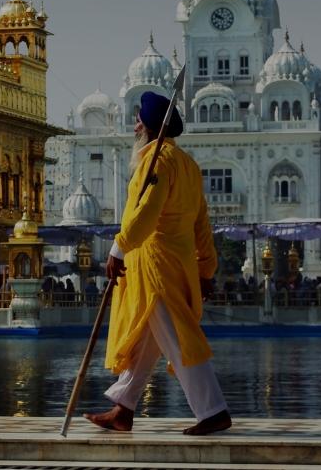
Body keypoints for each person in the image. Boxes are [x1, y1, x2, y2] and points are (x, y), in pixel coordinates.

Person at [84, 91, 231, 436]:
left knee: (178, 339)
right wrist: (206, 267)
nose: (135, 125)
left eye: (138, 119)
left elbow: (145, 214)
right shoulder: (188, 165)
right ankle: (123, 409)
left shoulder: (157, 162)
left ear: (150, 125)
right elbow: (201, 223)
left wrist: (118, 248)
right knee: (145, 339)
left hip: (155, 265)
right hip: (174, 263)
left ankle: (213, 410)